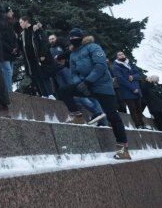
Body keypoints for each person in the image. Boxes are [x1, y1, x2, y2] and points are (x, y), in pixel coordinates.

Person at [55, 28, 131, 160]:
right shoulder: (73, 54)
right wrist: (81, 84)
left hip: (102, 86)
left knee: (113, 116)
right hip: (86, 86)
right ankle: (77, 116)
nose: (73, 39)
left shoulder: (93, 47)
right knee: (64, 91)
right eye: (71, 37)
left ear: (81, 37)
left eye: (75, 37)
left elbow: (100, 66)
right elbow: (74, 73)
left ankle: (123, 149)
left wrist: (88, 81)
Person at [50, 35, 107, 126]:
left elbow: (69, 54)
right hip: (59, 72)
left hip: (71, 72)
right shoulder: (51, 49)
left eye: (53, 38)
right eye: (50, 39)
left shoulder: (64, 45)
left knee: (79, 94)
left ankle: (97, 113)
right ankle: (83, 115)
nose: (51, 40)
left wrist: (61, 57)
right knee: (68, 93)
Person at [17, 16, 55, 98]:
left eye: (21, 22)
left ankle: (50, 94)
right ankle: (44, 94)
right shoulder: (22, 34)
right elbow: (22, 47)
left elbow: (43, 42)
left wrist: (42, 54)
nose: (20, 24)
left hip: (38, 57)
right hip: (30, 59)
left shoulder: (35, 29)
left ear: (26, 21)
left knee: (44, 75)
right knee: (36, 76)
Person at [112, 51, 146, 129]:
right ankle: (138, 125)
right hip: (127, 90)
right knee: (132, 109)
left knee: (139, 109)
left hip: (137, 89)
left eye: (122, 54)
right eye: (119, 55)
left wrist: (133, 77)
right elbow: (121, 79)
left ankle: (142, 124)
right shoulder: (116, 66)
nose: (121, 55)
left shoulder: (130, 64)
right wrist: (132, 89)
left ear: (125, 55)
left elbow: (138, 74)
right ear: (117, 57)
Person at [0, 9, 19, 93]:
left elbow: (14, 38)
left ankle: (8, 90)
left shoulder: (11, 24)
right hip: (4, 52)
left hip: (12, 53)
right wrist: (11, 49)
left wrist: (16, 48)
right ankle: (9, 92)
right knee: (7, 71)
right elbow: (1, 39)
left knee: (10, 72)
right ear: (6, 12)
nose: (12, 13)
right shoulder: (2, 23)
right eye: (11, 11)